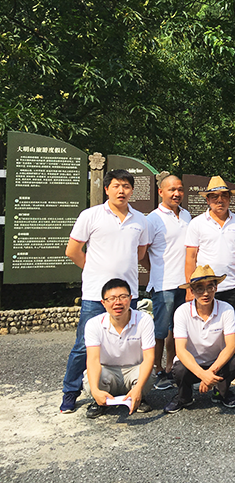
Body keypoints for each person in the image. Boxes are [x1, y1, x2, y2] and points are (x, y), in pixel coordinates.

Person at [61, 169, 149, 413]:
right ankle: (70, 392)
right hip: (95, 294)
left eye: (126, 186)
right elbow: (72, 251)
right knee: (84, 345)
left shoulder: (140, 220)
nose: (121, 191)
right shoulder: (91, 216)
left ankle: (133, 391)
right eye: (116, 186)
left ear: (132, 190)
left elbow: (140, 253)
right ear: (107, 189)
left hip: (128, 294)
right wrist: (95, 270)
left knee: (130, 345)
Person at [165, 265, 235, 413]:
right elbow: (180, 350)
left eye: (210, 287)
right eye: (199, 289)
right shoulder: (181, 312)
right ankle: (184, 397)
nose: (205, 293)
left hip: (216, 363)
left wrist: (210, 373)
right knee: (179, 369)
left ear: (216, 288)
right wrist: (202, 375)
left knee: (234, 363)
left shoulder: (226, 309)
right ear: (192, 291)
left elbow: (231, 346)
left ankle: (221, 392)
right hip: (192, 364)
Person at [83, 279, 156, 418]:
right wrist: (94, 390)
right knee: (90, 378)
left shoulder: (144, 319)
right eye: (111, 298)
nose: (118, 302)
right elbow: (93, 360)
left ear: (130, 298)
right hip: (108, 371)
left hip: (134, 369)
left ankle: (138, 396)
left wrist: (139, 388)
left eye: (123, 297)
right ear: (103, 303)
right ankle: (99, 400)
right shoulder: (93, 324)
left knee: (149, 374)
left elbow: (149, 357)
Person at [145, 174, 191, 391]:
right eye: (172, 190)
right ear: (161, 192)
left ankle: (172, 366)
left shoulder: (187, 215)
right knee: (160, 331)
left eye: (180, 189)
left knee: (177, 329)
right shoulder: (152, 219)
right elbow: (143, 253)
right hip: (164, 284)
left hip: (184, 283)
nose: (176, 193)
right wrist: (156, 270)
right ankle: (157, 369)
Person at [184, 176, 235, 310]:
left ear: (230, 199)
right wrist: (189, 288)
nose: (220, 200)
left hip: (232, 286)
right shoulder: (197, 223)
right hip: (204, 287)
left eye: (224, 196)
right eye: (214, 196)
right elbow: (191, 257)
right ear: (207, 200)